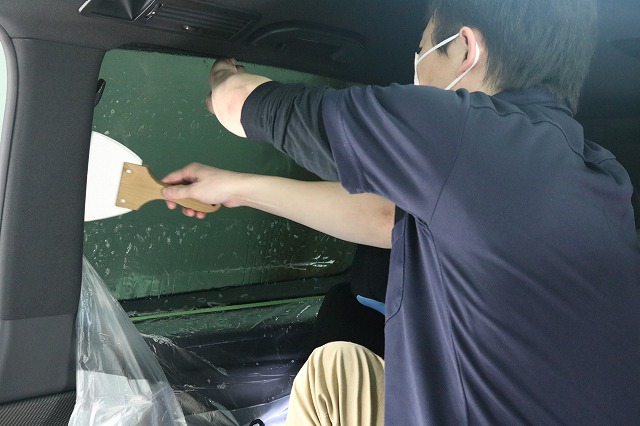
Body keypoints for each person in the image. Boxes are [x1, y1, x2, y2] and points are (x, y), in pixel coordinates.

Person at [163, 0, 640, 424]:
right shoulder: (601, 175)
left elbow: (240, 103)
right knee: (340, 371)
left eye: (423, 48)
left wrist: (221, 72)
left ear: (465, 49)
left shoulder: (460, 130)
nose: (417, 65)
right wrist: (238, 188)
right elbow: (385, 219)